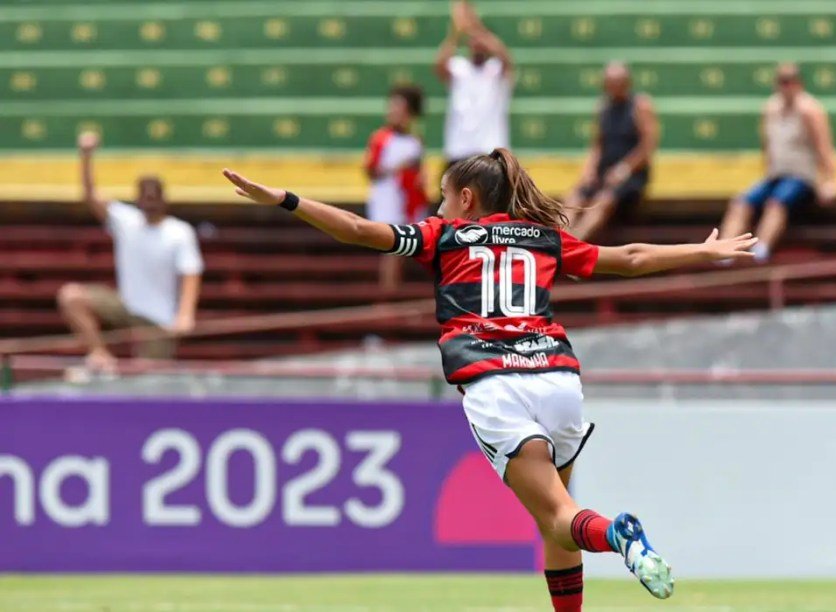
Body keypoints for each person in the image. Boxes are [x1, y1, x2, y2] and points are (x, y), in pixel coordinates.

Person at [222, 149, 757, 609]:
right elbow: (631, 257)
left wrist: (286, 201)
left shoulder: (444, 236)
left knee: (560, 516)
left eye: (442, 195)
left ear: (467, 200)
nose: (437, 206)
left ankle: (618, 534)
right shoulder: (541, 237)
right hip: (557, 380)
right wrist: (703, 250)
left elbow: (362, 231)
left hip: (497, 384)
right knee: (557, 516)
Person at [57, 132, 203, 370]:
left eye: (153, 196)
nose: (149, 201)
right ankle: (100, 355)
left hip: (159, 318)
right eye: (145, 196)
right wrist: (86, 156)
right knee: (71, 296)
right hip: (125, 306)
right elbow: (90, 194)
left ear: (163, 199)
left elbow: (191, 273)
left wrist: (185, 315)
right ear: (138, 198)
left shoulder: (179, 232)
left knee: (147, 377)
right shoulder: (127, 221)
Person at [718, 63, 836, 263]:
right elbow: (767, 145)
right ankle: (723, 250)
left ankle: (761, 248)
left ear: (798, 84)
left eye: (789, 81)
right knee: (741, 202)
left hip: (801, 176)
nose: (785, 86)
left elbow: (824, 147)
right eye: (781, 81)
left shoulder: (810, 110)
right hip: (775, 175)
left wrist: (830, 181)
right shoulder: (771, 108)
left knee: (776, 203)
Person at [564, 62, 659, 241]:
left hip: (631, 175)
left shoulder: (640, 105)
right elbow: (597, 145)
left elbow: (648, 145)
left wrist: (624, 169)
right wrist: (589, 171)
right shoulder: (603, 108)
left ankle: (574, 243)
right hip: (605, 172)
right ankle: (561, 240)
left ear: (627, 82)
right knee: (573, 197)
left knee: (603, 201)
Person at [435, 0, 513, 171]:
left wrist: (476, 27)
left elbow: (506, 58)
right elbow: (439, 65)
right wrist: (455, 32)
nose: (477, 44)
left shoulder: (496, 69)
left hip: (491, 152)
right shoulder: (459, 68)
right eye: (473, 41)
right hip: (459, 151)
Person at [364, 85, 428, 292]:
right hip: (388, 198)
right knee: (391, 248)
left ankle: (395, 290)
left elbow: (420, 169)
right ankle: (388, 294)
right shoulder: (381, 138)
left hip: (409, 199)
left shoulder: (415, 140)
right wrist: (397, 167)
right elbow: (371, 169)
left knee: (404, 249)